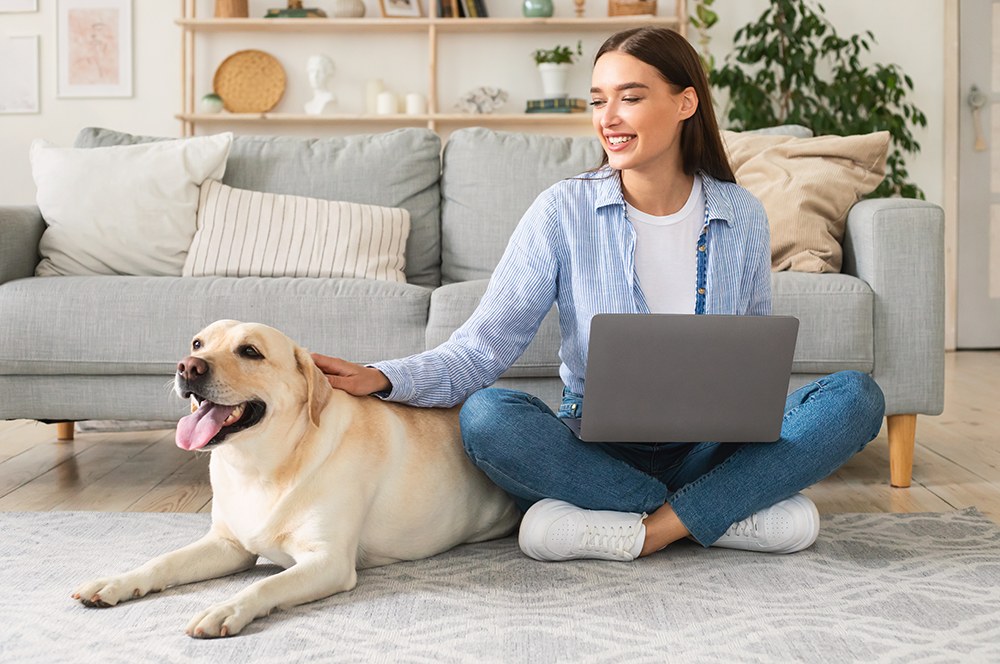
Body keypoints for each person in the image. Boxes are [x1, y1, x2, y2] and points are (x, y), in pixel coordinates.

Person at [312, 27, 885, 563]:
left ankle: (645, 527)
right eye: (597, 100)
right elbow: (484, 346)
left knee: (856, 397)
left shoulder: (740, 213)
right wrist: (383, 376)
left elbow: (748, 358)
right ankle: (720, 510)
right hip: (596, 446)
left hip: (712, 444)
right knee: (488, 417)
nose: (607, 118)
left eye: (630, 98)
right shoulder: (563, 210)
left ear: (685, 104)